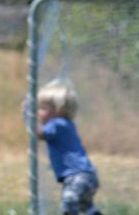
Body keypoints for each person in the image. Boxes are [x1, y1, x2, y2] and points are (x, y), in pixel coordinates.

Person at [37, 81, 101, 215]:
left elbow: (40, 134)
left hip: (77, 176)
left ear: (57, 110)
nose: (38, 113)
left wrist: (27, 118)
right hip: (85, 176)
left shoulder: (57, 124)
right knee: (86, 207)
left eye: (43, 108)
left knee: (69, 204)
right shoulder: (66, 123)